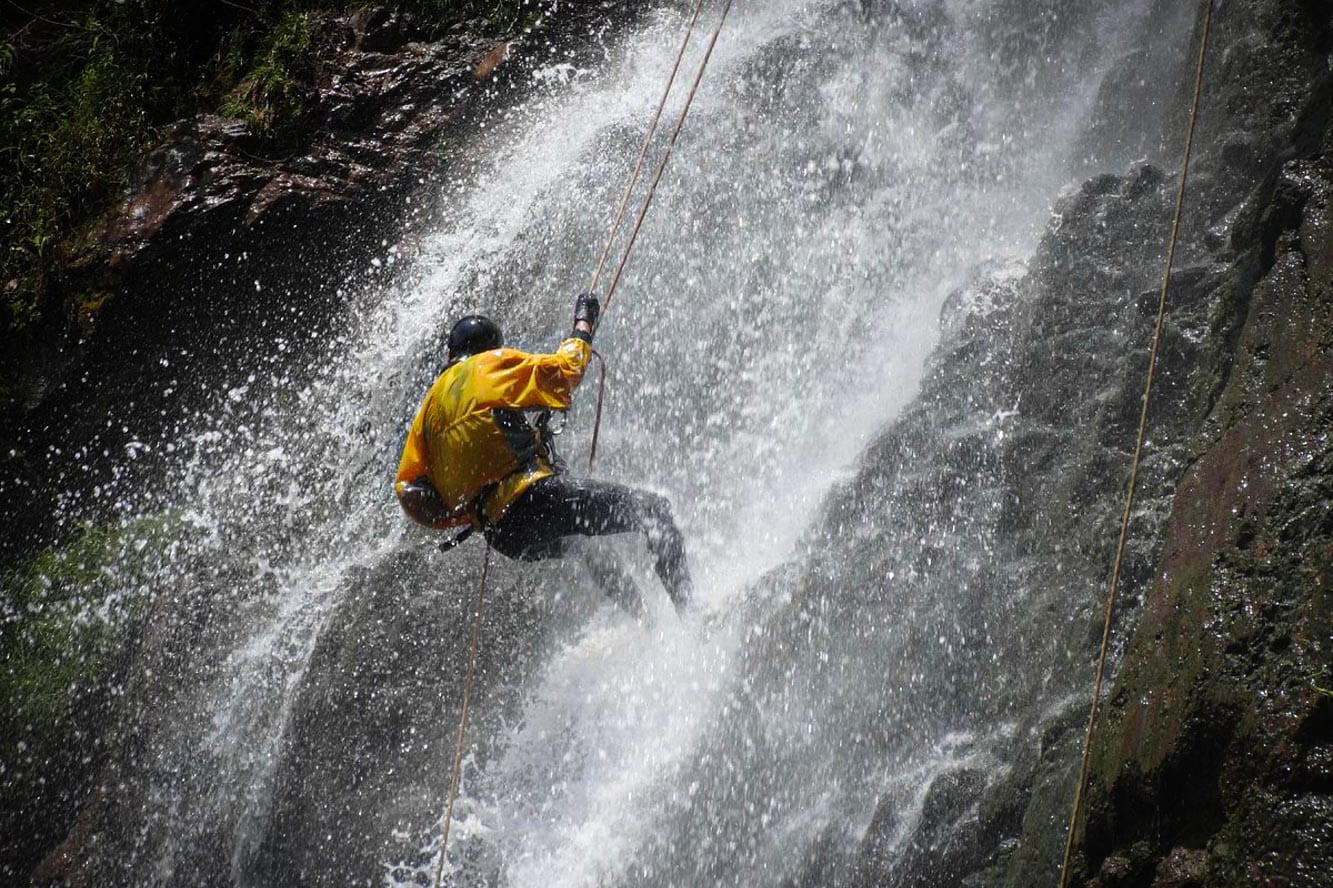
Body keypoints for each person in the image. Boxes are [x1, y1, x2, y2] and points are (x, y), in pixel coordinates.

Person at [394, 293, 692, 613]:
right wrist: (584, 323)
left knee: (584, 545)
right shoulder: (489, 364)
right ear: (490, 347)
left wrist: (468, 511)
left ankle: (646, 624)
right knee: (655, 510)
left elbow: (409, 489)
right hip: (532, 502)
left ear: (451, 354)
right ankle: (692, 620)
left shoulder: (426, 413)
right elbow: (567, 369)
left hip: (504, 535)